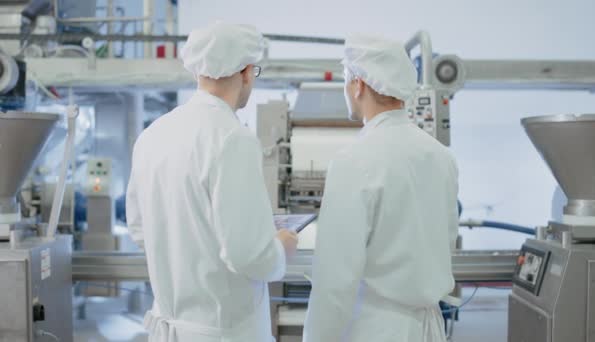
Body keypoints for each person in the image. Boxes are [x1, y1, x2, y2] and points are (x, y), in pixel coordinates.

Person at [126, 22, 298, 342]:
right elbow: (248, 256)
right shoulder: (231, 138)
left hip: (172, 329)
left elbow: (140, 229)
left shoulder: (153, 134)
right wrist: (281, 249)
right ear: (247, 72)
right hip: (222, 333)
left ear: (197, 72)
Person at [303, 34, 459, 342]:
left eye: (346, 83)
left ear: (359, 85)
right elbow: (445, 241)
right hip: (428, 328)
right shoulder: (442, 157)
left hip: (375, 329)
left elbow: (335, 279)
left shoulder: (353, 161)